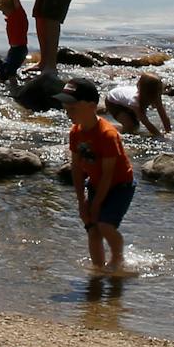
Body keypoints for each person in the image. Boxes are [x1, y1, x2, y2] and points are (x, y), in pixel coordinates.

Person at [61, 77, 135, 272]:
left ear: (92, 106)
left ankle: (118, 260)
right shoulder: (75, 132)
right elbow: (76, 167)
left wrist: (96, 204)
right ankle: (98, 269)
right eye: (66, 107)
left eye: (72, 107)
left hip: (120, 185)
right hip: (95, 183)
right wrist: (81, 201)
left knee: (104, 226)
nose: (67, 111)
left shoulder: (107, 135)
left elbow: (109, 174)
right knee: (92, 228)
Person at [103, 73, 172, 138]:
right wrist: (159, 135)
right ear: (145, 93)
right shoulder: (135, 101)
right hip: (113, 102)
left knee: (135, 126)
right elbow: (145, 122)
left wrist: (168, 132)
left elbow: (163, 116)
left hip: (124, 101)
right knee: (130, 126)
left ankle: (115, 127)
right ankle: (119, 137)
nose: (157, 96)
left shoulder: (156, 96)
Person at [0, 0, 30, 84]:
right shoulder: (10, 17)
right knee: (4, 69)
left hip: (19, 50)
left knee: (9, 70)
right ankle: (2, 84)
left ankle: (14, 88)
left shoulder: (18, 14)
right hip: (14, 49)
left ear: (11, 7)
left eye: (3, 10)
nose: (3, 13)